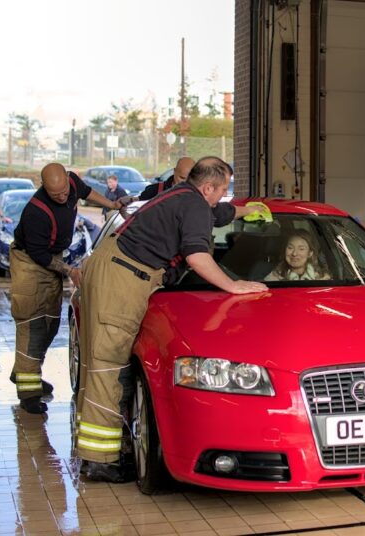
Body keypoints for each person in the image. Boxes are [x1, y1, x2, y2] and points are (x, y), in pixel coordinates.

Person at [76, 156, 267, 483]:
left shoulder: (185, 195)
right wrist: (232, 285)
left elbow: (215, 213)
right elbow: (197, 255)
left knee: (103, 363)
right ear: (208, 187)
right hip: (122, 278)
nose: (222, 197)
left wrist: (247, 210)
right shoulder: (193, 206)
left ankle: (98, 453)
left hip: (116, 266)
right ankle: (99, 461)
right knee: (108, 364)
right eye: (221, 191)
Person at [9, 163, 124, 415]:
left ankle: (24, 371)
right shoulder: (35, 213)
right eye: (56, 195)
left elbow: (86, 192)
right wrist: (70, 270)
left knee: (50, 322)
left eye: (64, 192)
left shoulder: (71, 182)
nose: (63, 197)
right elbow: (38, 255)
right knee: (34, 322)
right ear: (44, 187)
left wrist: (111, 204)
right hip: (30, 262)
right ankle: (28, 394)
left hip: (53, 257)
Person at [265, 230, 331, 281]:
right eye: (290, 248)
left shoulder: (322, 279)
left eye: (301, 249)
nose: (294, 254)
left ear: (310, 253)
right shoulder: (273, 278)